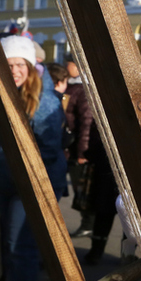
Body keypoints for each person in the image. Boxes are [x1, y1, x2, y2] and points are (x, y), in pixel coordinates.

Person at [0, 35, 67, 281]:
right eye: (8, 65)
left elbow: (46, 153)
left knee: (22, 250)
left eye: (20, 64)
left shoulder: (43, 101)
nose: (15, 70)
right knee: (11, 248)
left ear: (30, 67)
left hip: (31, 187)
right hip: (7, 183)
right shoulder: (3, 93)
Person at [63, 55, 95, 239]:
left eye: (69, 62)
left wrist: (83, 151)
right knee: (78, 187)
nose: (66, 65)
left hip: (77, 147)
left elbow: (86, 122)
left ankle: (88, 223)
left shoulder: (82, 90)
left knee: (82, 187)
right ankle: (87, 222)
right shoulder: (72, 87)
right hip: (71, 146)